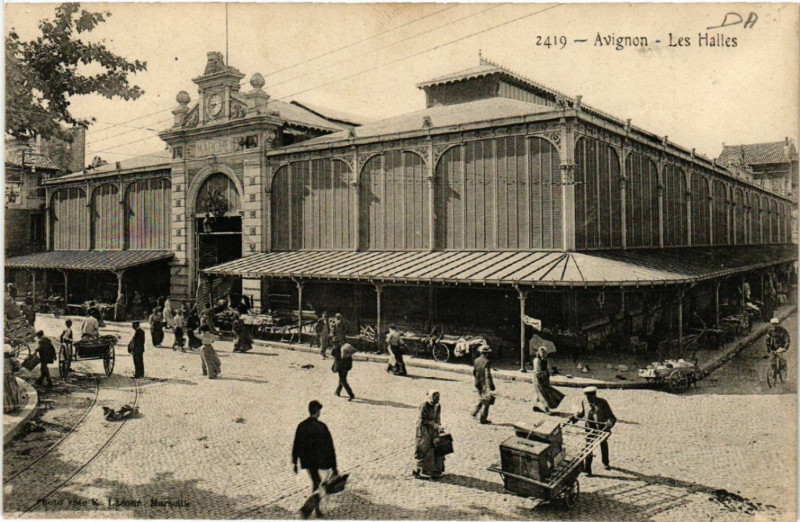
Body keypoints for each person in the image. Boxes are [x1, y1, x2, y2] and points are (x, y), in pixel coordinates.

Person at [292, 400, 338, 519]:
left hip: (307, 461)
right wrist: (334, 466)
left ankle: (315, 510)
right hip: (321, 461)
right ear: (317, 412)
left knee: (316, 482)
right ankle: (312, 510)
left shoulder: (301, 425)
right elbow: (330, 447)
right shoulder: (322, 427)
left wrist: (294, 462)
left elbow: (296, 443)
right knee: (321, 485)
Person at [573, 386, 616, 475]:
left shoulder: (602, 403)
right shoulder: (584, 401)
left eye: (589, 397)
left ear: (594, 395)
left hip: (601, 428)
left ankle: (605, 462)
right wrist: (575, 418)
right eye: (586, 396)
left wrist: (608, 424)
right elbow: (582, 413)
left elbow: (611, 417)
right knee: (588, 447)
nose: (588, 399)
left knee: (603, 444)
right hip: (589, 428)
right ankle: (587, 468)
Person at [413, 390, 445, 479]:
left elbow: (438, 417)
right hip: (423, 430)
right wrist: (432, 424)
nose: (437, 399)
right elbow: (422, 420)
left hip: (433, 429)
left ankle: (433, 471)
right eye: (435, 397)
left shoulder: (438, 406)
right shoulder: (424, 405)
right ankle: (417, 470)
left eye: (438, 397)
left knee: (436, 448)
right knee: (423, 449)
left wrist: (439, 426)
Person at [532, 346, 565, 414]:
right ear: (539, 353)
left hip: (545, 378)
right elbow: (537, 371)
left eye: (544, 352)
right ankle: (546, 409)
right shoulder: (537, 360)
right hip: (538, 378)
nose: (543, 354)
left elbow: (547, 369)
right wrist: (545, 373)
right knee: (542, 393)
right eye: (541, 352)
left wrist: (549, 373)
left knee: (541, 392)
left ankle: (535, 406)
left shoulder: (545, 360)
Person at [471, 345, 495, 424]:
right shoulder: (486, 361)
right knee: (486, 401)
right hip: (485, 384)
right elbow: (487, 375)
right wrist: (488, 387)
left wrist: (476, 380)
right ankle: (483, 419)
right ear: (487, 353)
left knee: (481, 398)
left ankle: (474, 412)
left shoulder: (476, 360)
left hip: (478, 382)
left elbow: (474, 372)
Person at [4, 347, 23, 412]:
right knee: (12, 390)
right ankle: (14, 406)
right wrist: (14, 370)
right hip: (9, 376)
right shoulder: (11, 359)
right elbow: (19, 367)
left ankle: (7, 408)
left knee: (5, 391)